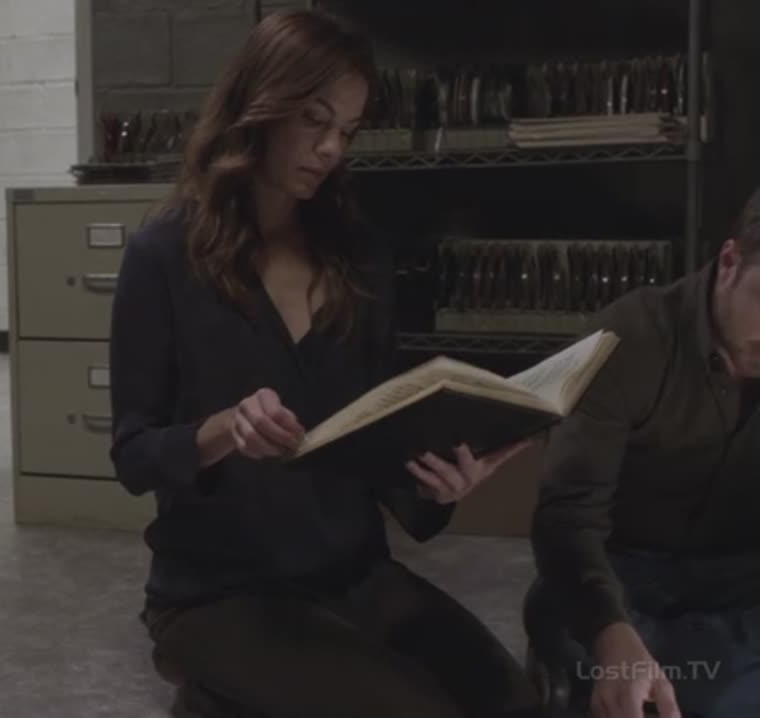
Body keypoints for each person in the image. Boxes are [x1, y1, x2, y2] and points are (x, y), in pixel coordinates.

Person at [107, 10, 540, 718]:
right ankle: (214, 686)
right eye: (314, 120)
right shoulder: (161, 258)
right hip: (219, 592)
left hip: (354, 576)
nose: (331, 147)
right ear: (259, 106)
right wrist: (223, 429)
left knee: (514, 703)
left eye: (347, 130)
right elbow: (133, 456)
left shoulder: (358, 256)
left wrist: (441, 487)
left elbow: (380, 439)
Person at [531, 186, 760, 718]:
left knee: (703, 683)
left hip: (740, 578)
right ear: (730, 262)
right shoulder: (629, 336)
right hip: (625, 574)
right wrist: (611, 635)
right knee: (580, 631)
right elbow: (567, 516)